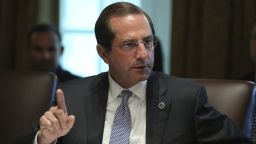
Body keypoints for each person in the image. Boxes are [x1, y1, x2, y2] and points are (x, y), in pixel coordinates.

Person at [25, 2, 250, 144]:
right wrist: (44, 140)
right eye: (129, 45)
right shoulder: (72, 97)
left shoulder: (186, 98)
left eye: (148, 42)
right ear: (103, 53)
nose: (143, 54)